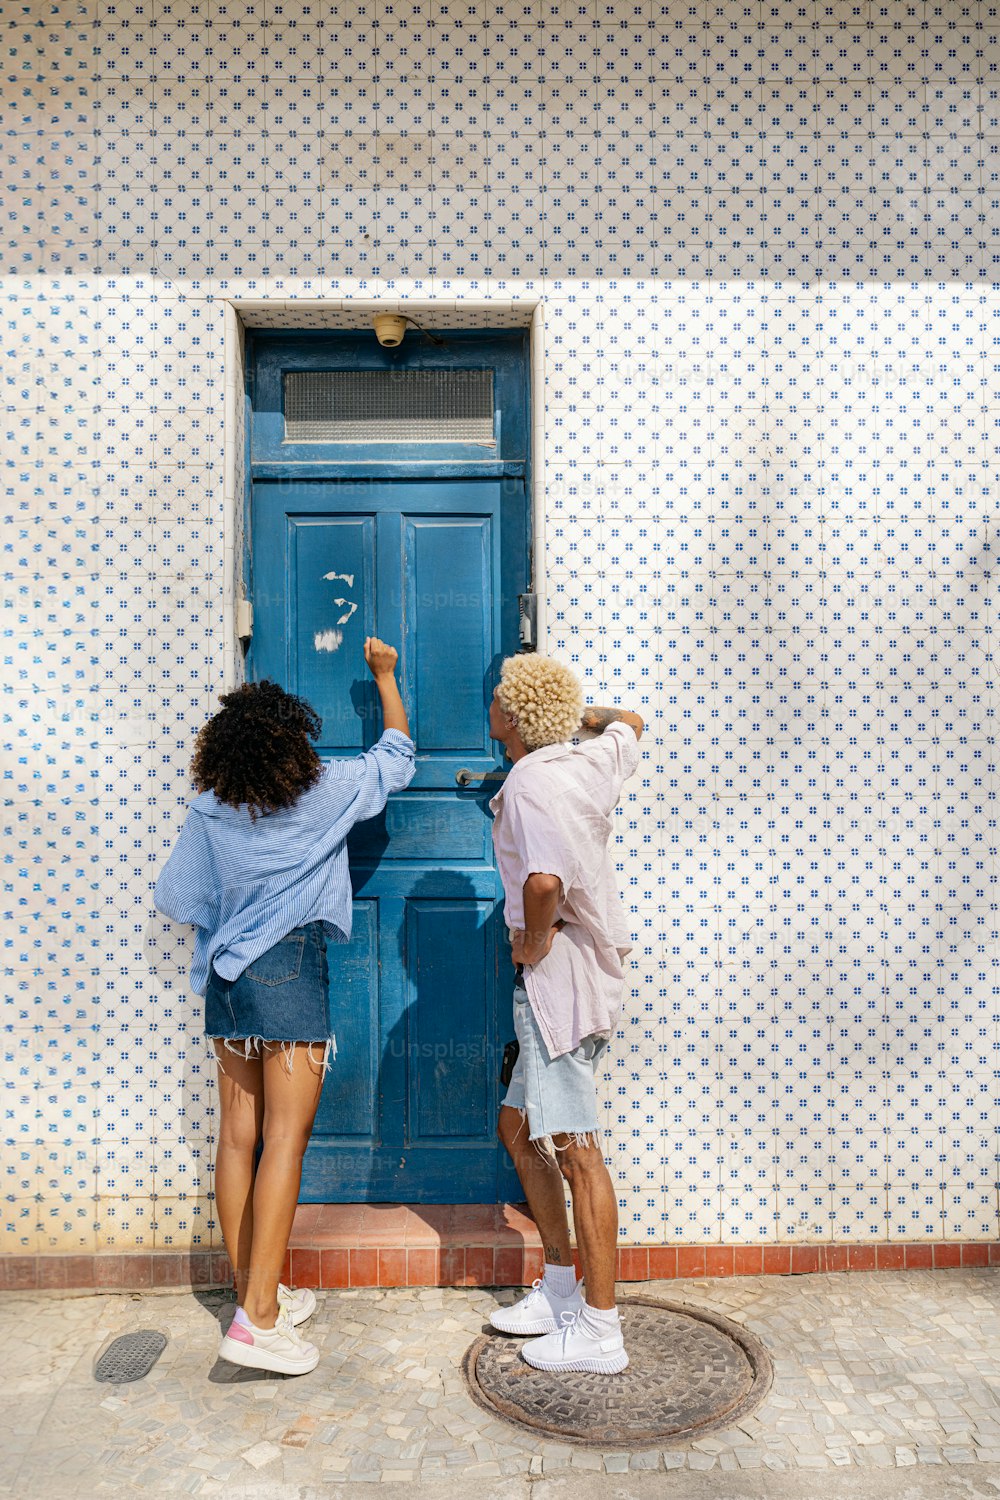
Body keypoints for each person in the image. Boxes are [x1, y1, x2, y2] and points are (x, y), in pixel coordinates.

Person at [154, 639, 414, 1376]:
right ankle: (259, 1322)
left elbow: (178, 897)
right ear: (292, 738)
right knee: (285, 1141)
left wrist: (235, 899)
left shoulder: (211, 807)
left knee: (238, 1138)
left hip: (227, 984)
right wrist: (387, 679)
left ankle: (253, 1292)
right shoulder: (324, 788)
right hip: (290, 969)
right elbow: (397, 756)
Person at [486, 653, 643, 1374]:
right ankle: (556, 1290)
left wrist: (532, 940)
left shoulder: (529, 782)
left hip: (559, 982)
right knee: (517, 1128)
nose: (489, 707)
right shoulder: (590, 763)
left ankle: (601, 1330)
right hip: (590, 973)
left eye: (499, 699)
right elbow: (632, 724)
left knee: (578, 1152)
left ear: (513, 718)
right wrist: (579, 717)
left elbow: (544, 880)